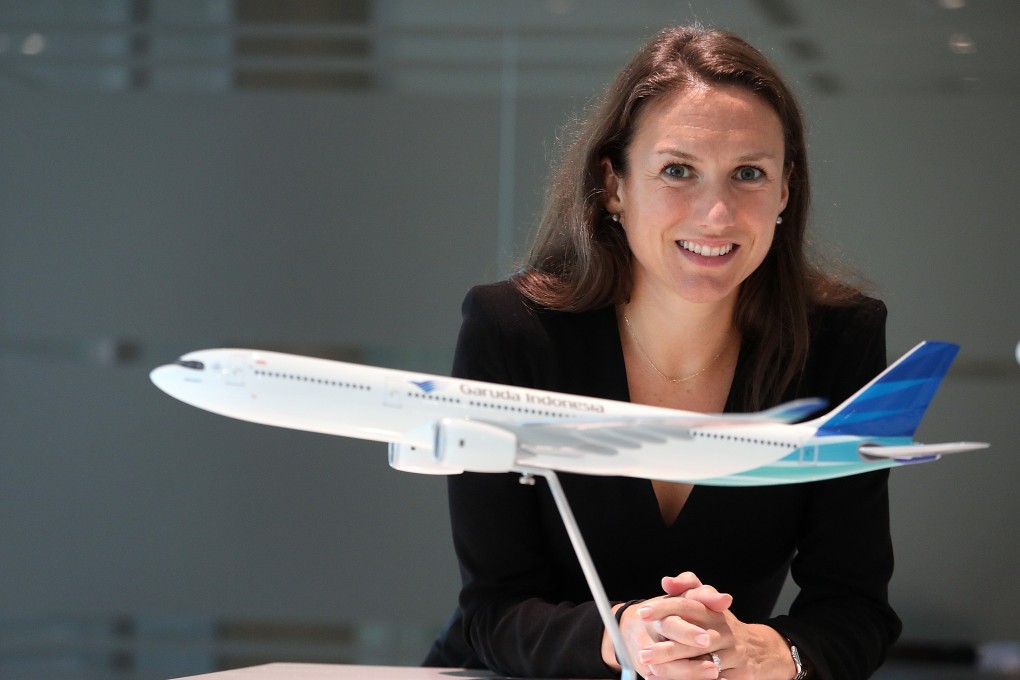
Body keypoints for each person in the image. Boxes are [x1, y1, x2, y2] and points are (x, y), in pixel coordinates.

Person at [424, 25, 901, 680]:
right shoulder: (511, 330)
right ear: (613, 184)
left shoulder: (840, 341)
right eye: (678, 171)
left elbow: (856, 609)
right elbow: (493, 610)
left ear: (785, 191)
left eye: (749, 174)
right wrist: (625, 636)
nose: (716, 214)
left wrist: (762, 651)